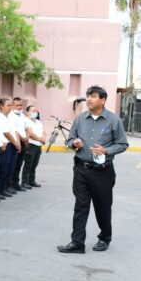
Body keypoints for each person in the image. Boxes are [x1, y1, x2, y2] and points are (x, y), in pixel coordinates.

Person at [58, 85, 128, 254]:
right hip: (81, 169)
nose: (89, 99)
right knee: (80, 206)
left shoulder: (113, 120)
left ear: (103, 100)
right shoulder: (80, 119)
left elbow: (123, 144)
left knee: (102, 206)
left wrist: (106, 150)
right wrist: (74, 143)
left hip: (103, 172)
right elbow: (70, 140)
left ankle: (104, 238)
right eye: (88, 96)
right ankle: (77, 243)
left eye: (93, 96)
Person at [0, 98, 21, 198]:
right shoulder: (0, 117)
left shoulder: (9, 118)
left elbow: (14, 131)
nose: (10, 108)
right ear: (1, 106)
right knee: (3, 168)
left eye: (11, 105)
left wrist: (18, 143)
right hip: (7, 145)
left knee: (10, 168)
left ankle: (5, 187)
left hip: (13, 145)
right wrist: (15, 143)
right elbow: (6, 133)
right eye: (8, 105)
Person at [21, 105, 45, 188]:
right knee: (28, 164)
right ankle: (24, 182)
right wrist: (40, 139)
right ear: (27, 112)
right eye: (33, 111)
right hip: (30, 145)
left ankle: (31, 180)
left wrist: (44, 138)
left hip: (38, 146)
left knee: (34, 164)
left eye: (36, 111)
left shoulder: (38, 122)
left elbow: (43, 131)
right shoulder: (26, 120)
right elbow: (30, 133)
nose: (35, 113)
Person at [10, 97, 29, 192]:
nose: (19, 107)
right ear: (13, 105)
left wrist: (27, 138)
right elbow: (15, 130)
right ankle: (10, 184)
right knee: (13, 164)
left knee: (19, 164)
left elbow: (26, 128)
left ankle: (16, 183)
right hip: (16, 142)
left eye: (21, 105)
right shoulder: (11, 116)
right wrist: (23, 139)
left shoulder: (23, 115)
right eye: (17, 105)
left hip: (24, 141)